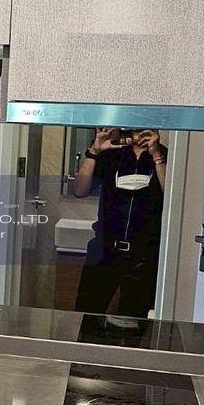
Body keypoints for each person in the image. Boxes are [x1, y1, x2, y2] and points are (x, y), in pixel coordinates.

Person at [71, 127, 167, 317]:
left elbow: (174, 198)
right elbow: (79, 190)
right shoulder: (110, 153)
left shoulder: (164, 155)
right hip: (104, 250)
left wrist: (157, 156)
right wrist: (94, 151)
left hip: (145, 255)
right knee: (85, 317)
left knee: (133, 322)